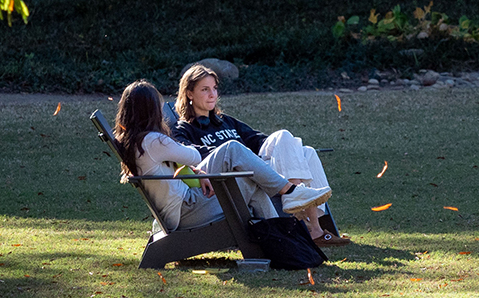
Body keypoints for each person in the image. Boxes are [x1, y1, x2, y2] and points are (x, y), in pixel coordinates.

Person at [111, 80, 331, 234]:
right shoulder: (155, 141)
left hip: (181, 206)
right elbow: (194, 154)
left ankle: (284, 235)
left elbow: (185, 163)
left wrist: (199, 172)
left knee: (245, 176)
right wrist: (197, 167)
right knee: (232, 150)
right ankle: (289, 196)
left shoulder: (138, 141)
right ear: (150, 110)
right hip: (187, 210)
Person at [172, 63, 350, 246]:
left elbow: (257, 139)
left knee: (306, 151)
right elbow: (187, 153)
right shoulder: (183, 129)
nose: (212, 95)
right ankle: (301, 208)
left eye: (215, 89)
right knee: (284, 139)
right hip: (238, 178)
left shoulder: (225, 121)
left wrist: (288, 148)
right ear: (189, 93)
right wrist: (243, 157)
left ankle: (314, 226)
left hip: (261, 171)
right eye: (205, 89)